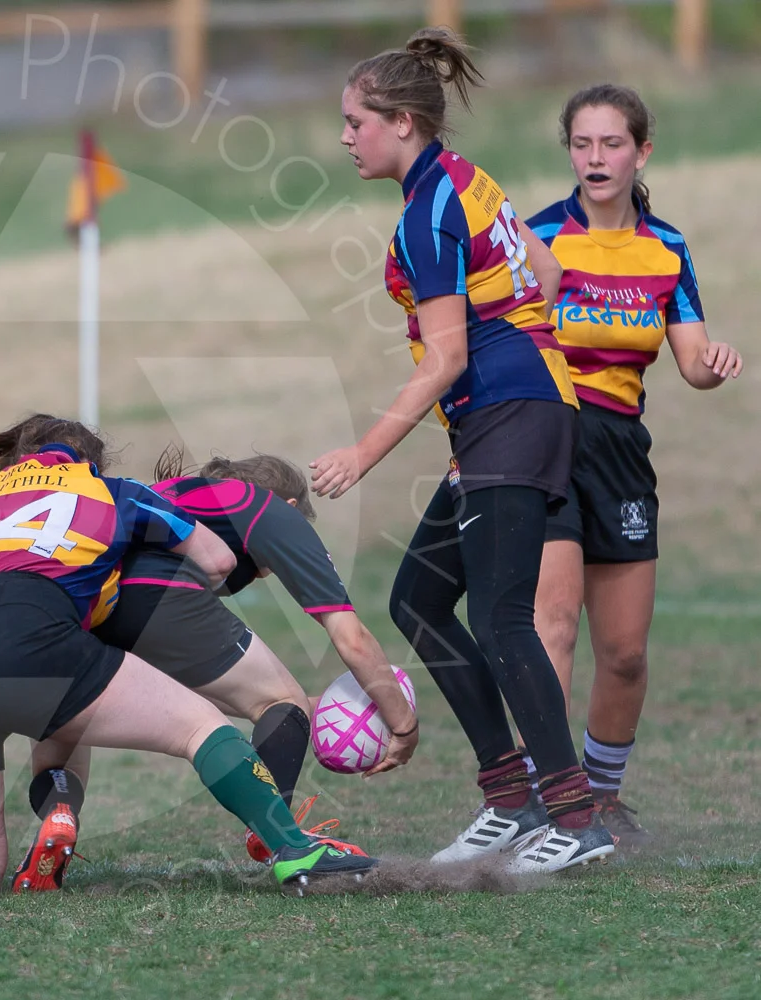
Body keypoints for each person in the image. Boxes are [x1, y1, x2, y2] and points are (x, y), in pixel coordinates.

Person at [310, 27, 615, 873]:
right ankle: (511, 798)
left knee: (500, 616)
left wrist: (360, 455)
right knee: (418, 597)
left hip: (511, 413)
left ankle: (575, 815)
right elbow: (545, 273)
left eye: (355, 122)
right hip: (514, 412)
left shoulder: (428, 210)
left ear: (402, 121)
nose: (345, 137)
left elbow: (445, 357)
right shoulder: (465, 179)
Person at [0, 416, 380, 897]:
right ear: (90, 461)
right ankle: (294, 847)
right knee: (200, 726)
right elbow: (217, 560)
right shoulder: (114, 489)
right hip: (23, 627)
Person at [18, 450, 417, 882]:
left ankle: (59, 816)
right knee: (282, 701)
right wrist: (404, 726)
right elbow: (351, 638)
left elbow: (186, 678)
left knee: (66, 730)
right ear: (292, 508)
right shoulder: (272, 512)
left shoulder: (180, 496)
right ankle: (278, 836)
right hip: (155, 594)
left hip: (80, 600)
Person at [527, 85, 742, 844]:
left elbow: (690, 362)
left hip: (620, 454)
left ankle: (603, 797)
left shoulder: (666, 249)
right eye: (582, 144)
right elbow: (499, 343)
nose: (595, 159)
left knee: (623, 653)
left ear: (641, 152)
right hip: (545, 442)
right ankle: (551, 800)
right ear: (569, 151)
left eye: (611, 144)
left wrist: (715, 364)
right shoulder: (538, 239)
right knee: (550, 630)